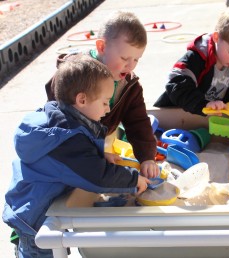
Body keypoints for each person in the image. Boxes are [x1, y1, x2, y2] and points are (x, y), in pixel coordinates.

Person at [2, 55, 151, 258]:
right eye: (106, 102)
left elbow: (79, 156)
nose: (108, 109)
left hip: (39, 204)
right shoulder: (65, 138)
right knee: (42, 253)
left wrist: (101, 155)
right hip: (35, 218)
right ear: (82, 100)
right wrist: (134, 180)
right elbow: (97, 176)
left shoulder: (63, 119)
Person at [46, 10, 160, 178]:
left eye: (136, 59)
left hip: (96, 145)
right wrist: (94, 154)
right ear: (102, 47)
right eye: (124, 58)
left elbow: (138, 122)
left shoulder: (129, 86)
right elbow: (60, 122)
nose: (130, 66)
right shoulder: (75, 75)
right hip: (66, 148)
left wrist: (147, 158)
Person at [154, 7, 229, 116]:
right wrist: (203, 104)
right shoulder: (197, 57)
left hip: (213, 120)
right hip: (179, 116)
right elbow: (176, 85)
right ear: (216, 37)